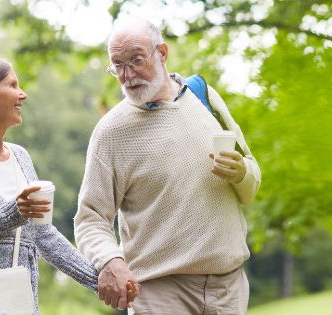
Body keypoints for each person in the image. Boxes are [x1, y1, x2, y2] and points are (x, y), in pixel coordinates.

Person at [73, 18, 262, 315]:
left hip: (229, 289)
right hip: (160, 294)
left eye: (136, 60)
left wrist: (240, 173)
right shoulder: (111, 132)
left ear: (162, 52)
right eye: (118, 66)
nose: (128, 75)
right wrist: (110, 260)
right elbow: (90, 219)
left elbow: (251, 182)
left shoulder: (205, 97)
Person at [0, 57, 138, 315]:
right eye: (12, 86)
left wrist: (101, 281)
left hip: (15, 303)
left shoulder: (20, 157)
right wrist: (10, 215)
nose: (22, 94)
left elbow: (43, 235)